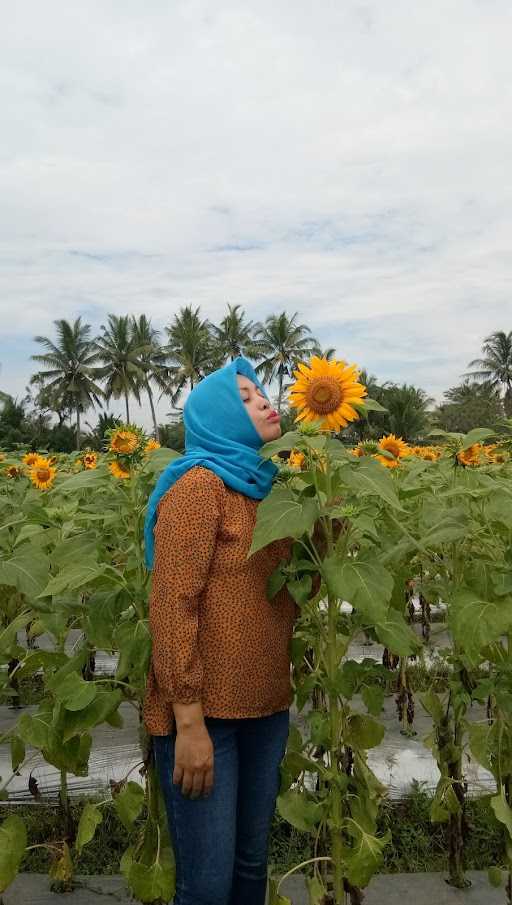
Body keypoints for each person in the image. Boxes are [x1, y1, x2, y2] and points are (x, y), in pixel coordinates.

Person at [142, 356, 299, 905]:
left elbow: (295, 591)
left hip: (266, 711)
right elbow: (170, 605)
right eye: (245, 396)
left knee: (250, 871)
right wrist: (188, 723)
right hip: (205, 720)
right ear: (218, 415)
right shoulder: (200, 486)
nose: (262, 398)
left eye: (260, 390)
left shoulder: (273, 492)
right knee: (207, 887)